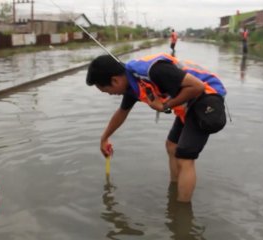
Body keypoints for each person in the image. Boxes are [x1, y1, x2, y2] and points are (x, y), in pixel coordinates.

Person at [86, 53, 227, 202]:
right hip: (188, 103)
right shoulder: (132, 84)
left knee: (185, 156)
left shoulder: (154, 71)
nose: (109, 94)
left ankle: (181, 212)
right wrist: (104, 138)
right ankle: (175, 189)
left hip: (207, 96)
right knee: (172, 145)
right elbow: (122, 113)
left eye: (106, 91)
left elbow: (197, 86)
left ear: (115, 80)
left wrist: (165, 105)